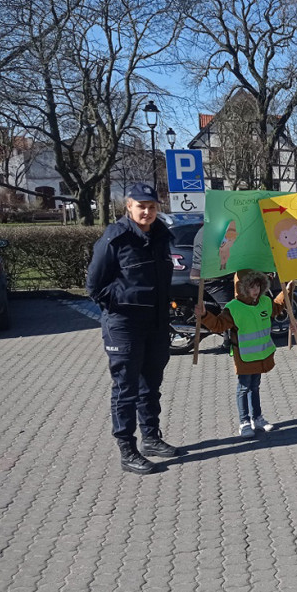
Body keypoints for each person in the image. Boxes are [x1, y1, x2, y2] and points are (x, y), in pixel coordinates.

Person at [85, 183, 179, 475]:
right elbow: (95, 287)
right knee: (126, 389)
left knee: (150, 385)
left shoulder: (162, 235)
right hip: (124, 325)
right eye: (141, 206)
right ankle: (127, 449)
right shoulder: (116, 238)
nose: (147, 212)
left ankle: (151, 438)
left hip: (157, 323)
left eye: (152, 206)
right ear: (129, 206)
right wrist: (127, 303)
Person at [194, 270, 297, 438]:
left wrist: (287, 290)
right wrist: (205, 315)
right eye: (251, 286)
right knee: (243, 388)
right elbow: (219, 325)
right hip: (244, 357)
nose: (255, 290)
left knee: (255, 386)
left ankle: (257, 418)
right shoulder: (234, 308)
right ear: (241, 288)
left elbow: (277, 307)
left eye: (257, 285)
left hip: (262, 355)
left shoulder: (264, 301)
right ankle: (244, 422)